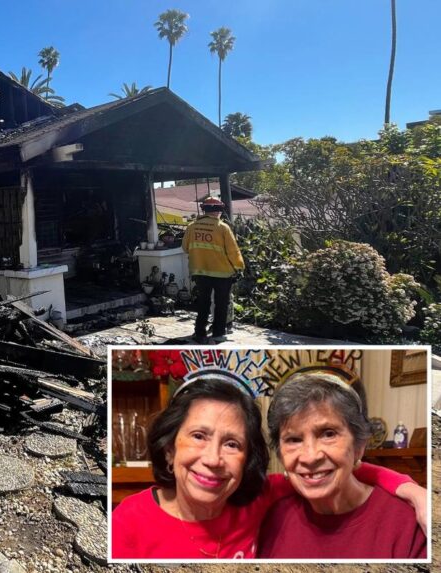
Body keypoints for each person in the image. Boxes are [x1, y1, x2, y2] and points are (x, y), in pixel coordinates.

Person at [110, 376, 426, 560]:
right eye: (198, 436)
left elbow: (342, 473)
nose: (213, 459)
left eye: (232, 444)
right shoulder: (128, 522)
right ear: (169, 448)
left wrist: (410, 489)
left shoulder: (259, 499)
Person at [257, 372, 427, 558]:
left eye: (328, 434)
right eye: (294, 439)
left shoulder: (409, 524)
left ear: (359, 446)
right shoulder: (271, 518)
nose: (310, 457)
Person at [181, 196, 244, 344]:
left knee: (203, 302)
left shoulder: (192, 227)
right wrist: (239, 267)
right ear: (219, 211)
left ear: (204, 210)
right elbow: (233, 252)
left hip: (200, 272)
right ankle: (218, 333)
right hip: (222, 273)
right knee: (221, 304)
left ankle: (199, 332)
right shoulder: (223, 228)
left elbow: (185, 248)